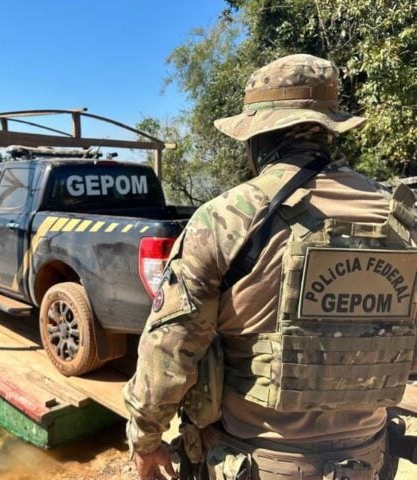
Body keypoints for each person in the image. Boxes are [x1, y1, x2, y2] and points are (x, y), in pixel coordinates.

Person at [124, 54, 417, 480]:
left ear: (257, 137)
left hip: (255, 462)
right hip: (365, 459)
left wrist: (145, 439)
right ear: (327, 130)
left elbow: (170, 349)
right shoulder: (401, 218)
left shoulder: (225, 219)